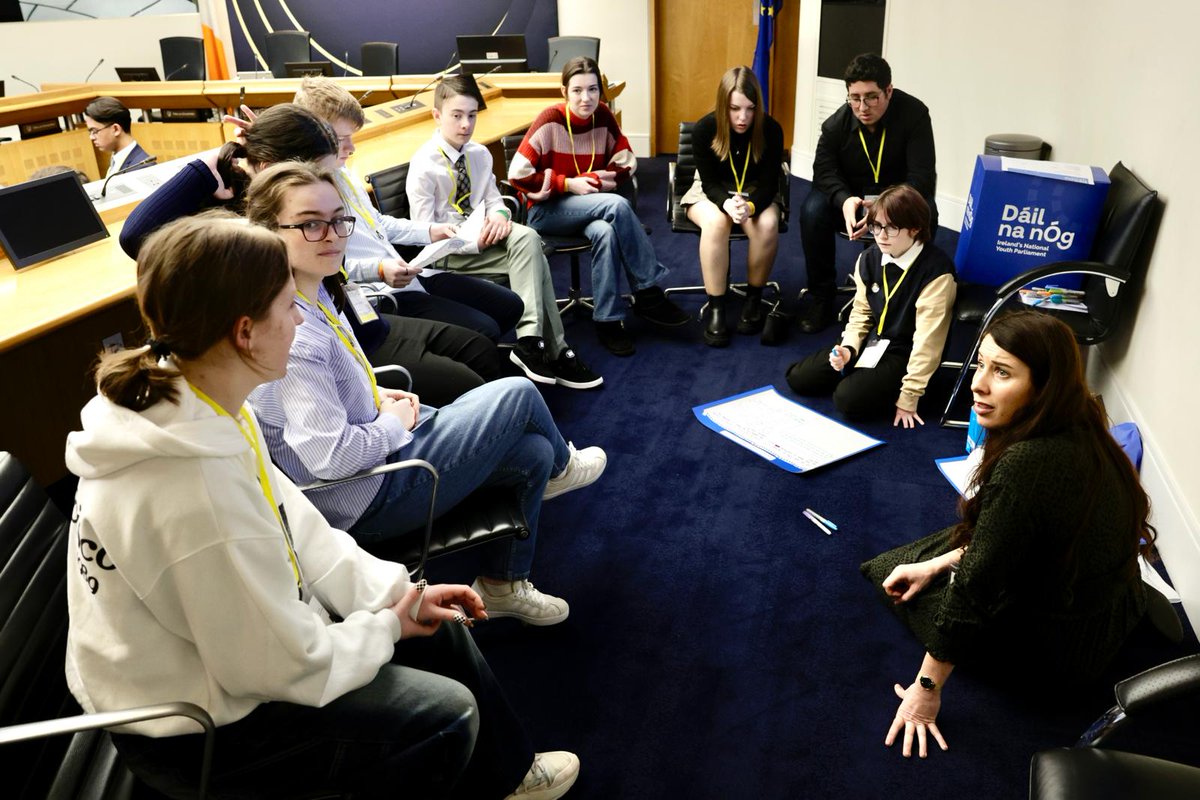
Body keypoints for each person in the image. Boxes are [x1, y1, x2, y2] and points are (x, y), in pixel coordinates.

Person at [64, 213, 580, 798]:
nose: (300, 319)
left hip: (229, 660)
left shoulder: (200, 401)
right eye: (288, 307)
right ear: (244, 332)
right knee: (445, 713)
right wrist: (385, 626)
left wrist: (394, 596)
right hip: (199, 730)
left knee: (434, 623)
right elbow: (283, 666)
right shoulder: (191, 488)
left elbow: (300, 525)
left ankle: (506, 776)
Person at [245, 161, 607, 626]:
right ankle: (564, 467)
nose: (333, 234)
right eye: (311, 224)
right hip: (361, 498)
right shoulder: (291, 332)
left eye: (338, 219)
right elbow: (328, 459)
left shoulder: (315, 295)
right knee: (517, 392)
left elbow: (337, 392)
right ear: (268, 233)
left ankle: (503, 585)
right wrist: (391, 422)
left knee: (532, 450)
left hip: (378, 461)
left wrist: (379, 394)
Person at [860, 311, 1154, 759]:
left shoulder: (1025, 466)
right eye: (981, 364)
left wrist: (925, 693)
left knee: (885, 572)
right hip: (1112, 604)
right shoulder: (1084, 418)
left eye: (1002, 372)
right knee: (937, 552)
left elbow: (973, 595)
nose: (978, 384)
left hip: (1060, 653)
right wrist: (938, 562)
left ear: (1044, 385)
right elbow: (1025, 536)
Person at [118, 102, 503, 408]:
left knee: (482, 351)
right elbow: (137, 235)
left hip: (358, 323)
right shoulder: (247, 223)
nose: (324, 185)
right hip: (334, 347)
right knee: (476, 386)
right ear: (273, 169)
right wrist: (208, 167)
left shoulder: (288, 195)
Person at [291, 76, 526, 345]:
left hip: (408, 275)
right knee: (483, 331)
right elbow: (327, 267)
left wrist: (430, 231)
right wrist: (378, 269)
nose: (352, 148)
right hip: (377, 293)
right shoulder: (310, 194)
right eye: (342, 139)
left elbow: (378, 223)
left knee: (509, 306)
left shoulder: (344, 173)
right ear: (314, 137)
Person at [407, 75, 603, 389]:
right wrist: (472, 242)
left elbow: (495, 200)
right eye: (456, 116)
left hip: (485, 240)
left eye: (471, 116)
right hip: (449, 255)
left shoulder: (480, 155)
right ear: (437, 116)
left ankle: (530, 343)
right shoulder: (423, 165)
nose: (465, 125)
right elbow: (423, 233)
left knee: (525, 237)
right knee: (533, 251)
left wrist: (499, 215)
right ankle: (556, 349)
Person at [509, 56, 690, 357]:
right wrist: (567, 184)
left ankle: (607, 320)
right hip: (547, 212)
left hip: (589, 207)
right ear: (564, 91)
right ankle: (646, 291)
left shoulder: (603, 116)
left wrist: (591, 181)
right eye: (578, 90)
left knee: (606, 231)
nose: (586, 98)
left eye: (593, 90)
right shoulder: (550, 119)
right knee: (617, 207)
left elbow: (626, 163)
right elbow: (517, 173)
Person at [785, 184, 954, 426]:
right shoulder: (869, 258)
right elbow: (861, 313)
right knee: (799, 377)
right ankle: (859, 372)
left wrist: (909, 396)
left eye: (892, 228)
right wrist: (848, 349)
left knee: (847, 399)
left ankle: (870, 380)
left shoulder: (936, 273)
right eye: (876, 226)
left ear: (915, 228)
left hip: (906, 350)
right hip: (874, 340)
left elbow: (929, 343)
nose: (881, 236)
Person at [799, 53, 936, 333]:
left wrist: (886, 209)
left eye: (871, 97)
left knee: (929, 211)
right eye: (854, 97)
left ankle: (912, 296)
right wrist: (844, 199)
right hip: (853, 201)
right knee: (812, 210)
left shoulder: (915, 115)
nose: (862, 107)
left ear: (888, 91)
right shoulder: (835, 125)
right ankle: (821, 295)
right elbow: (823, 172)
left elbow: (921, 175)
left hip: (898, 199)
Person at [681, 66, 783, 346]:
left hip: (755, 190)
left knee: (768, 223)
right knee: (717, 222)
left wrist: (750, 208)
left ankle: (753, 299)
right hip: (710, 190)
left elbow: (769, 185)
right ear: (722, 103)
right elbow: (710, 182)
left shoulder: (771, 130)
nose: (742, 117)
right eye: (735, 108)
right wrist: (726, 203)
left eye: (750, 109)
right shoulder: (705, 128)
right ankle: (716, 307)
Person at [83, 96, 153, 176]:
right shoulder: (116, 160)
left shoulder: (143, 168)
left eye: (94, 131)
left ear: (116, 129)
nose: (91, 137)